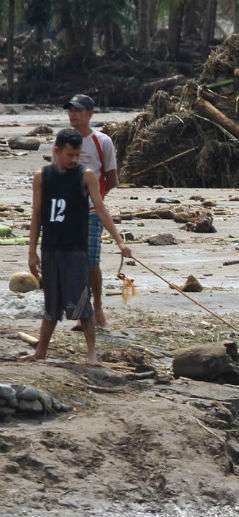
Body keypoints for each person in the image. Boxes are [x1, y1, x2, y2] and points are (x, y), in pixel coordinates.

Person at [23, 129, 131, 365]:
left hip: (75, 249)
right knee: (51, 301)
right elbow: (36, 215)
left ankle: (91, 353)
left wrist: (119, 240)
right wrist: (32, 251)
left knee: (82, 301)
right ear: (56, 151)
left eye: (77, 155)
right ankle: (41, 351)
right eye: (69, 155)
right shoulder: (42, 176)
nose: (74, 160)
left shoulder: (86, 176)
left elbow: (101, 209)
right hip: (51, 248)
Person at [65, 94, 118, 330]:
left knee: (91, 262)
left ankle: (97, 308)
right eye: (70, 110)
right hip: (66, 212)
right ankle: (81, 311)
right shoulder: (63, 140)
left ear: (90, 114)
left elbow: (112, 177)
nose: (73, 115)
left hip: (92, 211)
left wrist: (96, 197)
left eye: (78, 110)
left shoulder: (102, 141)